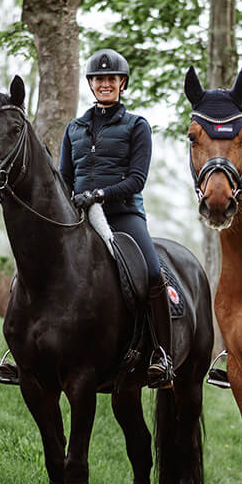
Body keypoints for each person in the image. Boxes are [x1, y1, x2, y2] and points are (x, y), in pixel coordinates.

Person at [58, 48, 173, 388]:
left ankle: (161, 355)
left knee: (152, 273)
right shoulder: (74, 129)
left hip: (123, 215)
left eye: (111, 79)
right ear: (91, 84)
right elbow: (64, 178)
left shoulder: (137, 126)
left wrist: (102, 194)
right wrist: (71, 202)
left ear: (122, 83)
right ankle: (22, 351)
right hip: (79, 216)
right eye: (99, 79)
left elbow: (137, 179)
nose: (105, 84)